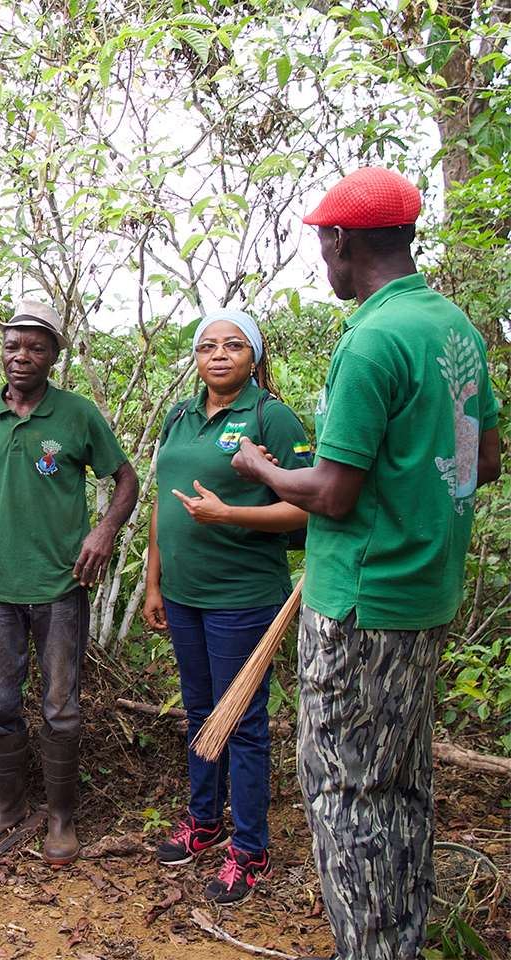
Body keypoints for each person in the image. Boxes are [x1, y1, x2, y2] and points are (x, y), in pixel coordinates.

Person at [231, 168, 501, 960]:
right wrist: (413, 484)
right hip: (426, 593)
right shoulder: (456, 329)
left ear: (341, 241)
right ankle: (400, 943)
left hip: (360, 607)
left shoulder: (372, 338)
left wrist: (260, 468)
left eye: (322, 244)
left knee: (346, 794)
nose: (324, 260)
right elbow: (482, 462)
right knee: (401, 788)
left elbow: (332, 493)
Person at [0, 299, 138, 864]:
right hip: (1, 587)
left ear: (55, 354)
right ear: (0, 350)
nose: (22, 356)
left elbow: (125, 479)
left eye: (36, 346)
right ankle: (10, 808)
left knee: (60, 707)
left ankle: (60, 817)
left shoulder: (77, 415)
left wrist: (104, 531)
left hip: (60, 584)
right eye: (13, 345)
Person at [142, 308, 310, 905]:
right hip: (185, 594)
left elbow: (308, 506)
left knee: (241, 721)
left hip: (243, 597)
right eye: (208, 345)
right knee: (199, 711)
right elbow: (166, 503)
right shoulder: (180, 416)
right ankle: (204, 822)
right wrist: (154, 582)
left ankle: (250, 848)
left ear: (254, 356)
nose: (219, 354)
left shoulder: (272, 416)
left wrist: (229, 513)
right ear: (195, 355)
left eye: (233, 345)